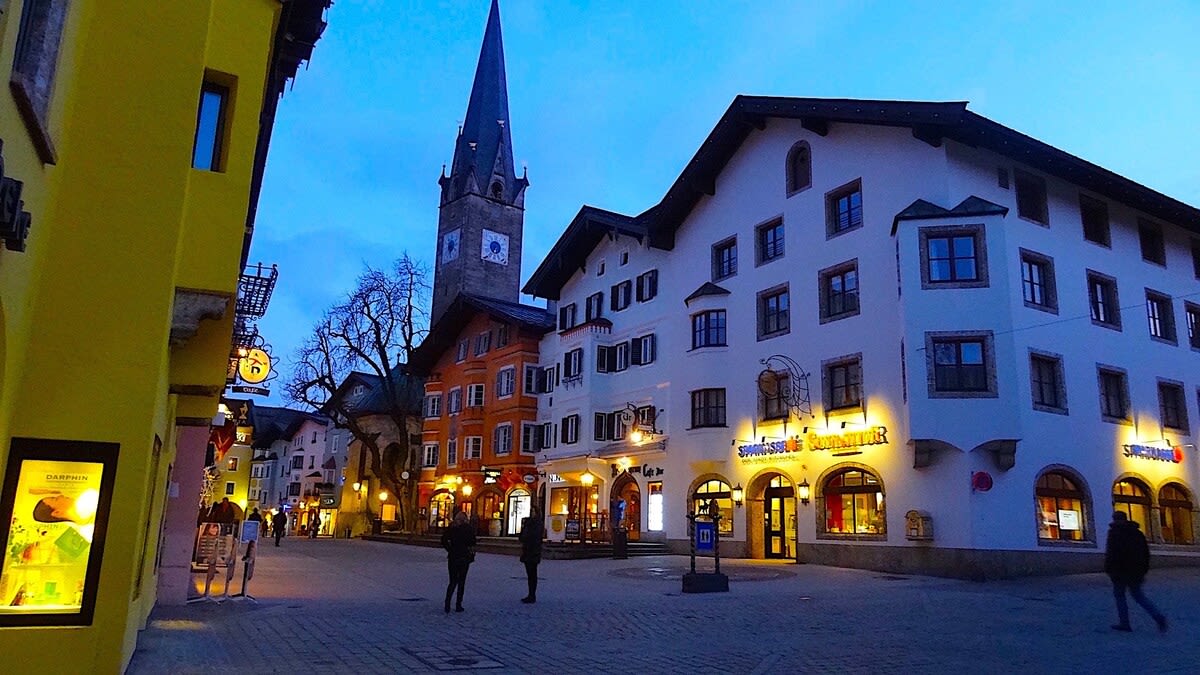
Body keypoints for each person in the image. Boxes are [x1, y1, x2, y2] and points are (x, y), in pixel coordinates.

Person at [1104, 510, 1168, 632]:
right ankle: (1158, 616)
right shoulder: (1137, 533)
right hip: (1135, 571)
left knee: (1120, 596)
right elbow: (1145, 552)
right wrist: (1143, 569)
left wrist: (1109, 569)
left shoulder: (1114, 533)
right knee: (1138, 596)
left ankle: (1125, 623)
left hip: (1119, 571)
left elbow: (1111, 554)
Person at [440, 511, 476, 613]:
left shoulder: (452, 528)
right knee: (461, 581)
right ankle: (458, 605)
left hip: (453, 556)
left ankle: (447, 604)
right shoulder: (468, 528)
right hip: (464, 556)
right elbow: (472, 542)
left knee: (452, 581)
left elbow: (443, 540)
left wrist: (450, 549)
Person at [518, 506, 544, 604]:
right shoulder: (529, 522)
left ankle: (532, 595)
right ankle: (530, 594)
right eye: (531, 511)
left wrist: (527, 537)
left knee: (533, 574)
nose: (532, 513)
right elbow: (523, 534)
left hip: (533, 551)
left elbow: (535, 537)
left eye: (533, 511)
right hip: (527, 551)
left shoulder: (538, 523)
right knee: (529, 574)